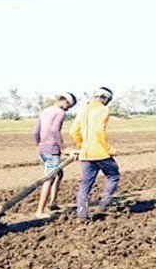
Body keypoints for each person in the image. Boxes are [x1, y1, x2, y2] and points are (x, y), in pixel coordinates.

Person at [70, 87, 120, 222]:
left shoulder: (83, 110)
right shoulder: (103, 109)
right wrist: (108, 149)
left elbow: (74, 131)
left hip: (86, 154)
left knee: (85, 185)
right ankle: (103, 205)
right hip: (101, 153)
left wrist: (82, 145)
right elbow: (99, 130)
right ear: (105, 99)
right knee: (113, 176)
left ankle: (82, 214)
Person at [33, 92, 77, 218]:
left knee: (59, 173)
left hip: (42, 148)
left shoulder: (45, 111)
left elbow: (35, 131)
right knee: (49, 178)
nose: (68, 109)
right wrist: (63, 148)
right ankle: (39, 211)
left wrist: (40, 144)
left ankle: (53, 202)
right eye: (69, 106)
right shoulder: (60, 112)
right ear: (65, 102)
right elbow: (54, 130)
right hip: (51, 148)